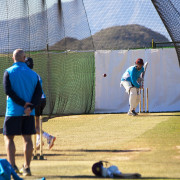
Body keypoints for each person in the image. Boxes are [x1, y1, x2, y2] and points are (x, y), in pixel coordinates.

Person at [3, 49, 42, 176]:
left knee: (9, 138)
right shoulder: (34, 74)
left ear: (13, 58)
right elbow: (38, 94)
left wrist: (22, 104)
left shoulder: (8, 72)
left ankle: (12, 167)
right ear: (24, 58)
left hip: (13, 112)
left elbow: (8, 91)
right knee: (27, 139)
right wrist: (29, 107)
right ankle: (26, 168)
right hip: (29, 113)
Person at [25, 57, 56, 150]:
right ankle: (39, 141)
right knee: (37, 123)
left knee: (32, 126)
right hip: (43, 100)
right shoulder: (36, 74)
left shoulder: (27, 75)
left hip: (36, 101)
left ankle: (48, 137)